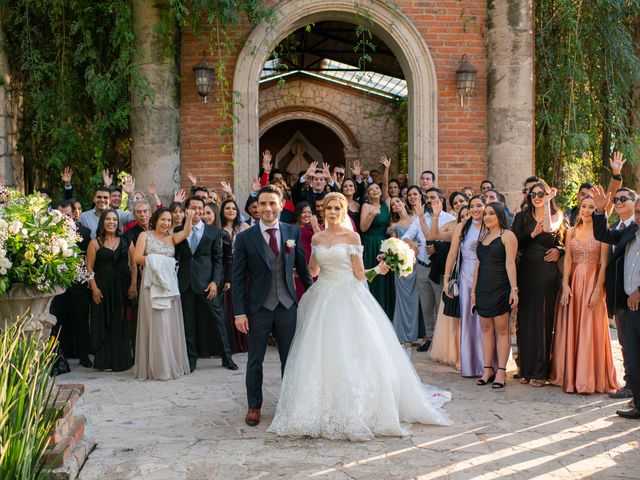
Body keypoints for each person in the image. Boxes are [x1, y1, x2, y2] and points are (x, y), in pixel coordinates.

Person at [268, 192, 452, 440]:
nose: (333, 212)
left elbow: (358, 274)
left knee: (352, 350)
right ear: (323, 212)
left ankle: (359, 405)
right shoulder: (317, 237)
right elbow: (312, 270)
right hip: (321, 297)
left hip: (348, 296)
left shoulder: (352, 236)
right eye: (329, 208)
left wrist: (379, 268)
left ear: (343, 212)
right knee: (319, 352)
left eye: (337, 208)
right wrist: (290, 259)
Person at [232, 185, 313, 427]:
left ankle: (289, 404)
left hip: (287, 305)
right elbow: (237, 277)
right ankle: (254, 406)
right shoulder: (246, 237)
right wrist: (239, 312)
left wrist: (313, 294)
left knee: (290, 358)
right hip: (258, 308)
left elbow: (303, 268)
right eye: (263, 204)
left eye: (272, 203)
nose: (267, 208)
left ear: (280, 205)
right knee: (255, 359)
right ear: (257, 208)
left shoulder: (292, 231)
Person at [550, 196, 619, 393]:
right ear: (579, 208)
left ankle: (588, 378)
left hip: (593, 282)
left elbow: (604, 264)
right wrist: (565, 284)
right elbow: (568, 259)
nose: (587, 210)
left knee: (590, 328)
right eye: (584, 206)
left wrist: (598, 290)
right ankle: (570, 375)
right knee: (572, 326)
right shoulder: (571, 231)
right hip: (574, 283)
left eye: (591, 207)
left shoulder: (603, 233)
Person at [590, 185, 640, 419]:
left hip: (637, 298)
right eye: (638, 213)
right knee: (631, 351)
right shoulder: (630, 231)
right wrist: (600, 213)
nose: (638, 216)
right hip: (626, 302)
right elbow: (603, 235)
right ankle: (638, 402)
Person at [175, 196, 238, 372]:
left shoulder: (213, 232)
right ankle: (191, 359)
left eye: (200, 208)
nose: (196, 211)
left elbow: (218, 260)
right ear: (186, 209)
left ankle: (227, 357)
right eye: (192, 208)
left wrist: (215, 282)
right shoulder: (179, 230)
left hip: (207, 284)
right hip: (185, 283)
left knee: (219, 321)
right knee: (188, 323)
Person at [512, 180, 565, 387]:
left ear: (548, 194)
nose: (537, 197)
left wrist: (559, 250)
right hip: (525, 272)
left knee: (543, 320)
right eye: (533, 194)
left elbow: (564, 239)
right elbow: (514, 242)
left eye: (541, 193)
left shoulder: (557, 215)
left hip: (546, 273)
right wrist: (532, 234)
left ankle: (541, 372)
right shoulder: (521, 217)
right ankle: (525, 369)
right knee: (525, 321)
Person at [132, 207, 194, 380]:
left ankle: (168, 365)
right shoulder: (145, 236)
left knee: (167, 324)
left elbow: (186, 232)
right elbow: (137, 258)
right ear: (155, 219)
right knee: (155, 323)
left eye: (169, 220)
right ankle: (157, 368)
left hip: (168, 286)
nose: (166, 223)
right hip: (151, 284)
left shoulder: (172, 237)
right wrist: (158, 262)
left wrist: (188, 219)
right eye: (163, 220)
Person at [402, 188, 456, 352]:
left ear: (441, 199)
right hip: (423, 266)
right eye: (428, 198)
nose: (430, 200)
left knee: (440, 304)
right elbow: (407, 236)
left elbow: (449, 243)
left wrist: (438, 249)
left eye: (434, 197)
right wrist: (410, 243)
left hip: (439, 268)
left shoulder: (450, 218)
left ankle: (441, 340)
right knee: (426, 305)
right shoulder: (420, 219)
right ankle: (430, 337)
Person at [472, 202, 519, 389]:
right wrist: (473, 292)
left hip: (501, 287)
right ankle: (487, 369)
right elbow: (478, 266)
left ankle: (501, 371)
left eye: (491, 213)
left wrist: (514, 289)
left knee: (501, 330)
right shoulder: (483, 236)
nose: (487, 217)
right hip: (483, 287)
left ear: (500, 215)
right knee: (485, 329)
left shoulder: (508, 236)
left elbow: (510, 264)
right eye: (485, 214)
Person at [443, 195, 486, 377]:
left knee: (485, 320)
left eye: (479, 205)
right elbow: (452, 254)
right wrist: (446, 279)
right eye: (472, 206)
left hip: (487, 276)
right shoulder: (462, 227)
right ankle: (470, 364)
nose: (475, 209)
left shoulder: (490, 225)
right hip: (466, 277)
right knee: (468, 320)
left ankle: (487, 364)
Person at [86, 210, 133, 372]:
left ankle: (121, 361)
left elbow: (133, 264)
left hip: (121, 287)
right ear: (102, 222)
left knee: (118, 322)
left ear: (118, 222)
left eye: (114, 219)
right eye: (108, 219)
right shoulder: (95, 243)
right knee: (102, 322)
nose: (111, 222)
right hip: (102, 288)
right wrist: (94, 288)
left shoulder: (125, 240)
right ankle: (105, 361)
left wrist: (133, 284)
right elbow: (89, 268)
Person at [607, 187, 637, 399]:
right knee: (626, 343)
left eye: (623, 199)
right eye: (615, 199)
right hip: (620, 294)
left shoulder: (635, 227)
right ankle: (631, 385)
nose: (618, 202)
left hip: (635, 295)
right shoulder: (617, 228)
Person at [388, 196, 419, 347]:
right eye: (393, 204)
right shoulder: (394, 225)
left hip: (419, 262)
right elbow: (393, 245)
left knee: (418, 299)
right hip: (402, 265)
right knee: (403, 300)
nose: (396, 205)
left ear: (403, 203)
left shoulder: (417, 219)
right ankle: (405, 335)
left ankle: (420, 334)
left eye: (398, 202)